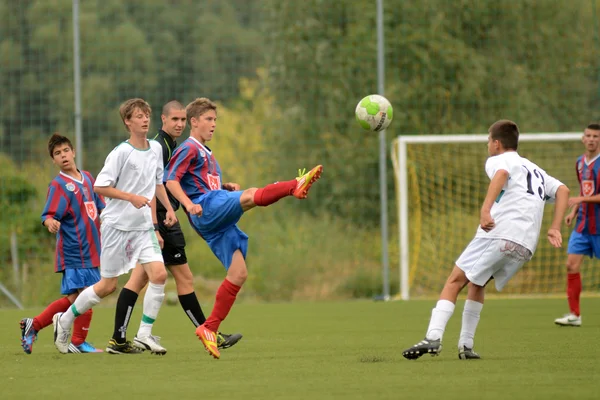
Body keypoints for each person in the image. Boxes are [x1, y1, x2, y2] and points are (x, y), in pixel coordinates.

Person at [164, 97, 323, 359]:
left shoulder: (209, 156)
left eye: (215, 120)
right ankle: (295, 184)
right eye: (208, 120)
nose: (213, 125)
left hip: (213, 219)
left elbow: (201, 184)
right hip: (204, 210)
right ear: (193, 122)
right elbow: (170, 181)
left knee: (238, 274)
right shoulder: (189, 148)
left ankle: (209, 328)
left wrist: (223, 188)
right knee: (250, 195)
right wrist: (188, 205)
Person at [402, 120, 569, 360]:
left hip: (500, 233)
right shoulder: (534, 168)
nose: (487, 146)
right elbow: (563, 190)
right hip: (525, 245)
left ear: (497, 143)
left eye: (488, 141)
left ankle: (433, 337)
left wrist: (485, 210)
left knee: (454, 280)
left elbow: (501, 175)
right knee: (477, 282)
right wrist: (554, 227)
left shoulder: (498, 160)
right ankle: (466, 346)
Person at [110, 100, 242, 351]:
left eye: (183, 119)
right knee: (174, 279)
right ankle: (208, 332)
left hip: (163, 219)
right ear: (163, 120)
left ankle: (119, 337)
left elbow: (185, 181)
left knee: (146, 279)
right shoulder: (159, 147)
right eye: (175, 120)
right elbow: (150, 187)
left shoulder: (172, 147)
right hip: (160, 220)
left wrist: (220, 188)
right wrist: (156, 227)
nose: (180, 124)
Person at [52, 98, 177, 355]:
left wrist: (170, 208)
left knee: (160, 274)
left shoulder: (155, 148)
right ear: (127, 122)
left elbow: (157, 184)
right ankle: (64, 320)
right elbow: (100, 186)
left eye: (146, 115)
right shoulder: (120, 152)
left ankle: (144, 335)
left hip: (142, 227)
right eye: (138, 116)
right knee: (107, 286)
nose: (144, 119)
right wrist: (130, 197)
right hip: (116, 227)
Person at [20, 134, 105, 354]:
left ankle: (35, 325)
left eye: (66, 150)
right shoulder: (59, 185)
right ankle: (77, 341)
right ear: (53, 160)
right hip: (74, 250)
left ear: (73, 152)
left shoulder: (87, 178)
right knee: (88, 294)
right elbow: (48, 215)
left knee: (76, 298)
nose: (63, 156)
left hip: (92, 251)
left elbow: (101, 208)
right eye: (58, 153)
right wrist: (50, 223)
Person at [554, 123, 600, 327]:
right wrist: (573, 211)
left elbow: (584, 196)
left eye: (596, 136)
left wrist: (580, 201)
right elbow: (584, 190)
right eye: (588, 135)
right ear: (583, 139)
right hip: (582, 226)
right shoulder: (580, 162)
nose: (591, 139)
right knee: (571, 265)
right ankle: (575, 315)